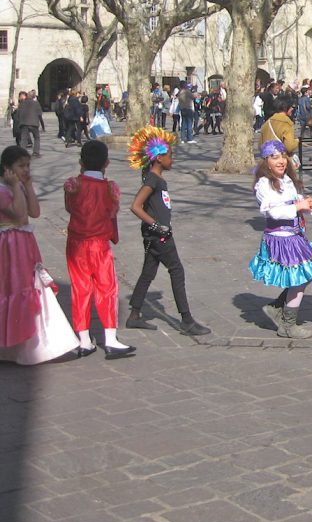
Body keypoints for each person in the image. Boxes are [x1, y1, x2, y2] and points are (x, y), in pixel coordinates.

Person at [126, 127, 210, 336]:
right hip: (159, 235)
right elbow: (136, 206)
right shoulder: (153, 180)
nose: (173, 159)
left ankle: (134, 315)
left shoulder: (157, 179)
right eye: (170, 155)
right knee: (177, 270)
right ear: (159, 158)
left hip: (154, 235)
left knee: (148, 272)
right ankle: (186, 320)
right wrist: (156, 226)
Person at [0, 146, 78, 364]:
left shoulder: (20, 187)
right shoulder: (3, 190)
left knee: (30, 287)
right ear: (7, 168)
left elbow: (35, 212)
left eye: (28, 166)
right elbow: (19, 216)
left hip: (24, 244)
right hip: (8, 246)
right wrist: (16, 186)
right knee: (13, 288)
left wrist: (28, 186)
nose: (26, 170)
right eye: (21, 166)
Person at [63, 140, 136, 359]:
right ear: (107, 163)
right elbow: (112, 211)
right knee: (106, 289)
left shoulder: (72, 185)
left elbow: (69, 208)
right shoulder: (110, 188)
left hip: (76, 243)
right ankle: (110, 339)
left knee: (80, 289)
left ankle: (84, 340)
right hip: (99, 244)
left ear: (80, 162)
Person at [249, 140, 312, 339]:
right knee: (300, 277)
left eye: (283, 156)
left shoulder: (287, 180)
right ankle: (288, 324)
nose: (281, 161)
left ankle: (277, 307)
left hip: (295, 234)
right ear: (266, 161)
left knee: (307, 273)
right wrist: (296, 207)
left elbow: (295, 203)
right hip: (281, 238)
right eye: (275, 157)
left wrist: (306, 205)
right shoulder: (264, 184)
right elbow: (272, 212)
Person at [259, 95, 299, 160]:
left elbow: (260, 145)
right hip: (281, 160)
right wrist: (296, 141)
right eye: (291, 107)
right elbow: (289, 146)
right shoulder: (286, 123)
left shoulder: (267, 122)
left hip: (268, 160)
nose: (292, 109)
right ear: (286, 107)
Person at [15, 92, 44, 157]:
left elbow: (18, 114)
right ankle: (36, 152)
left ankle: (22, 153)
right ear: (33, 97)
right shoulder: (36, 103)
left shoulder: (22, 103)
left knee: (24, 139)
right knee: (36, 137)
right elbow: (40, 114)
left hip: (24, 123)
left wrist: (19, 121)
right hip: (33, 123)